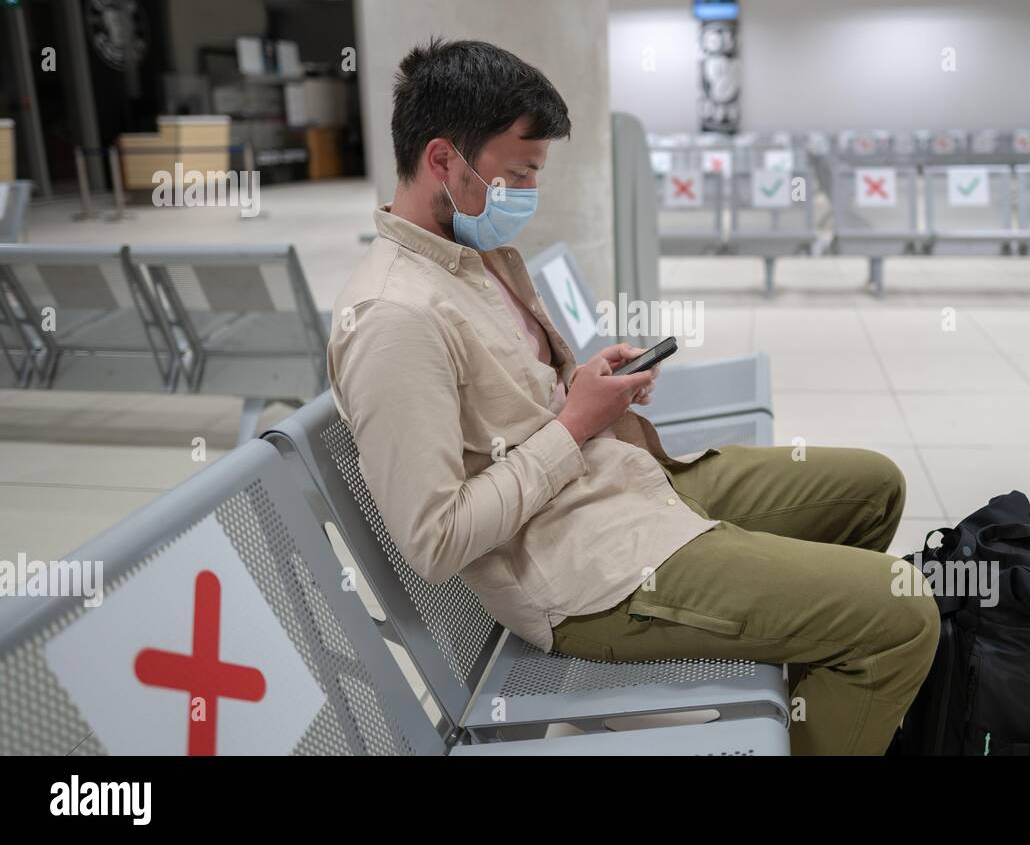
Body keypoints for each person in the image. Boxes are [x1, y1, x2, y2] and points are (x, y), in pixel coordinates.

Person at [328, 37, 939, 755]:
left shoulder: (478, 258)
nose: (528, 194)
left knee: (874, 488)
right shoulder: (394, 318)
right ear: (442, 160)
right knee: (901, 615)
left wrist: (587, 389)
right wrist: (576, 422)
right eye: (519, 173)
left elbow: (518, 410)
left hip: (628, 482)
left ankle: (811, 697)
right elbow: (434, 541)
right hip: (587, 569)